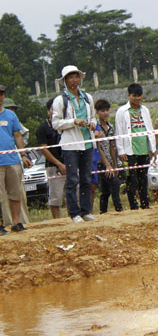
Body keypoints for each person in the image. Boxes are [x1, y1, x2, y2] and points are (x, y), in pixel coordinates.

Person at [51, 65, 97, 223]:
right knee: (72, 180)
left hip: (87, 142)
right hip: (70, 144)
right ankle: (74, 212)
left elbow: (93, 116)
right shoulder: (60, 100)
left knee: (86, 178)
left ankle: (85, 210)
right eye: (70, 77)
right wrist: (73, 121)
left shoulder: (87, 98)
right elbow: (55, 123)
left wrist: (92, 123)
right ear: (65, 81)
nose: (74, 80)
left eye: (76, 76)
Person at [115, 83, 158, 211]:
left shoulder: (145, 110)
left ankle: (145, 204)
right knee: (132, 179)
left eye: (139, 96)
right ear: (129, 96)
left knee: (143, 178)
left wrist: (153, 148)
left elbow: (149, 129)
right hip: (130, 150)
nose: (137, 98)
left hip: (144, 149)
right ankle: (134, 205)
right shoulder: (122, 111)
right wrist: (121, 150)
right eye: (134, 96)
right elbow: (119, 131)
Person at [0, 85, 32, 235]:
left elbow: (18, 135)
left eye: (1, 94)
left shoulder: (11, 115)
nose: (0, 97)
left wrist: (23, 154)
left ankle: (16, 222)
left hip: (12, 159)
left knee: (15, 193)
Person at [36, 98, 66, 218]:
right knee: (55, 197)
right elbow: (44, 149)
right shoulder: (43, 128)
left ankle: (73, 218)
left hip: (70, 163)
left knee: (73, 195)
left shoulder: (66, 124)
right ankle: (57, 221)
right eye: (53, 109)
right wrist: (58, 164)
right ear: (49, 111)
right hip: (53, 166)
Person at [93, 99, 123, 213]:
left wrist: (115, 164)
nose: (105, 113)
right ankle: (118, 207)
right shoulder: (96, 128)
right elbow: (99, 148)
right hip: (100, 162)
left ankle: (103, 211)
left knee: (106, 190)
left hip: (110, 161)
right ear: (97, 112)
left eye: (107, 110)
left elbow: (112, 146)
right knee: (115, 183)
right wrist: (107, 165)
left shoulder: (111, 127)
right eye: (102, 111)